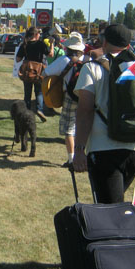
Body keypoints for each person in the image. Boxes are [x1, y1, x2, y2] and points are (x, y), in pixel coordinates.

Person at [72, 23, 135, 204]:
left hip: (103, 149)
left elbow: (84, 111)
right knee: (113, 203)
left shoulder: (92, 68)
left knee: (110, 210)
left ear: (105, 41)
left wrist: (78, 149)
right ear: (128, 44)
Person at [44, 33, 87, 168]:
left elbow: (46, 73)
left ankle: (71, 159)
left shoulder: (64, 59)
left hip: (70, 96)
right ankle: (85, 156)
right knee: (85, 126)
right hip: (88, 96)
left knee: (69, 128)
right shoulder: (88, 59)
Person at [16, 26, 49, 121]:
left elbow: (18, 59)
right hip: (38, 71)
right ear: (36, 34)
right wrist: (51, 44)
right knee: (39, 92)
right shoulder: (41, 44)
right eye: (39, 33)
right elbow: (50, 54)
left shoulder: (25, 44)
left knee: (27, 93)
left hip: (27, 72)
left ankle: (27, 113)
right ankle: (39, 110)